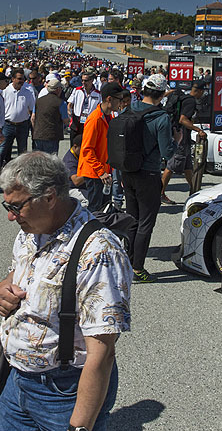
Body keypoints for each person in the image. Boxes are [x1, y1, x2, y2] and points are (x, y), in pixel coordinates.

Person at [0, 152, 131, 431]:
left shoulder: (99, 251)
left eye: (15, 207)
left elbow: (101, 355)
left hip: (65, 391)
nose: (10, 217)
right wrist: (3, 288)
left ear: (49, 197)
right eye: (7, 206)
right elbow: (21, 271)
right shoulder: (31, 228)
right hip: (19, 383)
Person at [124, 74, 177, 284]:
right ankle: (137, 269)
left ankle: (127, 263)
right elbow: (167, 152)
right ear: (162, 94)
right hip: (148, 173)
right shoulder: (161, 118)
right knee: (146, 223)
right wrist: (177, 140)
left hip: (128, 171)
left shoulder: (130, 109)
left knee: (132, 220)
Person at [77, 82, 124, 213]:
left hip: (103, 172)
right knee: (95, 211)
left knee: (105, 209)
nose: (121, 103)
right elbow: (87, 149)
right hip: (95, 173)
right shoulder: (95, 119)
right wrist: (101, 172)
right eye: (119, 99)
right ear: (109, 99)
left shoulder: (108, 117)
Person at [160, 81, 207, 202]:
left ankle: (195, 191)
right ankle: (160, 193)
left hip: (179, 134)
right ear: (199, 91)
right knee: (171, 166)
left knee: (187, 166)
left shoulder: (183, 97)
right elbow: (183, 120)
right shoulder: (190, 101)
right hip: (181, 135)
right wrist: (198, 130)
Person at [2, 68, 36, 164]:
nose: (21, 81)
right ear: (13, 79)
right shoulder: (5, 91)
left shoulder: (28, 92)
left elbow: (31, 109)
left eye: (23, 79)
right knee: (3, 149)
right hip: (8, 125)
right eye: (19, 78)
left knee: (22, 152)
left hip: (22, 125)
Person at [32, 77, 68, 156]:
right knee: (51, 160)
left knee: (38, 159)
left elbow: (33, 118)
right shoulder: (61, 103)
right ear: (58, 89)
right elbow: (65, 120)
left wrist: (36, 129)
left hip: (38, 135)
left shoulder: (38, 101)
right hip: (52, 136)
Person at [67, 73, 102, 144]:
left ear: (92, 80)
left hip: (90, 121)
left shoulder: (98, 94)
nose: (83, 82)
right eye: (82, 80)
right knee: (74, 144)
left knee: (86, 143)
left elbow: (100, 108)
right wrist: (69, 111)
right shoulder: (77, 90)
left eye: (86, 80)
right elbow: (70, 104)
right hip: (76, 120)